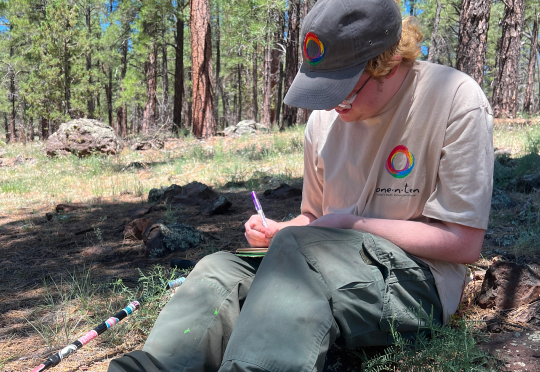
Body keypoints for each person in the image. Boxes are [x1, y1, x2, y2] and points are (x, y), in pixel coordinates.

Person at [108, 0, 493, 370]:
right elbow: (313, 218)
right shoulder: (324, 124)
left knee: (299, 255)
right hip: (320, 261)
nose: (331, 106)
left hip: (418, 281)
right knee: (219, 269)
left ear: (388, 63)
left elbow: (462, 242)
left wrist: (349, 225)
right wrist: (280, 232)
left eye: (342, 90)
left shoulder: (452, 98)